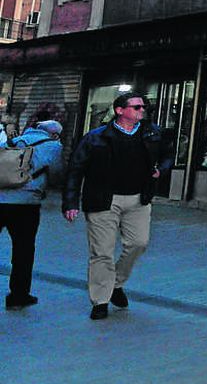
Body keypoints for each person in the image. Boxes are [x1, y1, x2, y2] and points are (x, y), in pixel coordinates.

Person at [64, 92, 167, 321]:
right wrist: (70, 202)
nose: (142, 110)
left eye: (144, 107)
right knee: (102, 252)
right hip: (103, 199)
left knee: (139, 243)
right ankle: (100, 300)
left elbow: (168, 155)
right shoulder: (96, 137)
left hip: (138, 199)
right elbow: (75, 169)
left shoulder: (151, 134)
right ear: (120, 110)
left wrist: (161, 170)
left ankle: (115, 283)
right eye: (137, 107)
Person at [1, 108, 65, 309]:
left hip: (0, 199)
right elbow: (57, 174)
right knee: (23, 249)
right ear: (54, 134)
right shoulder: (53, 146)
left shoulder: (13, 141)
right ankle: (18, 296)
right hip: (26, 204)